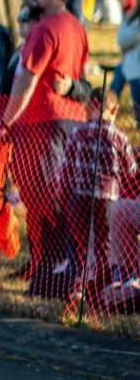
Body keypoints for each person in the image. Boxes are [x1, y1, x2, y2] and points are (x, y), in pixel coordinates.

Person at [0, 0, 90, 295]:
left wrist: (5, 121)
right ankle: (53, 274)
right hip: (68, 120)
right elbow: (83, 78)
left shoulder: (46, 28)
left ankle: (57, 275)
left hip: (43, 122)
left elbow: (26, 79)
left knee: (45, 199)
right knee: (52, 198)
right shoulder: (76, 27)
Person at [60, 86, 137, 306]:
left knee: (82, 247)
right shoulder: (119, 137)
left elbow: (65, 169)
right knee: (104, 246)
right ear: (114, 110)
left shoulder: (78, 133)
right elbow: (131, 170)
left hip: (78, 198)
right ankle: (100, 293)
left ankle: (78, 289)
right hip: (107, 201)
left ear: (89, 107)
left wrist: (63, 195)